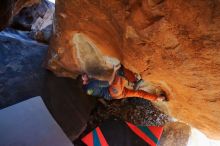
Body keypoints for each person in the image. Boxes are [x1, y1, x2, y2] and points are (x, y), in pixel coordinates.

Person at [81, 64, 165, 101]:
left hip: (116, 95)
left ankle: (158, 98)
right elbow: (109, 82)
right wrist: (114, 70)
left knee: (139, 94)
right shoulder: (91, 83)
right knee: (120, 71)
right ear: (83, 81)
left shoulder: (86, 89)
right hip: (113, 91)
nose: (84, 75)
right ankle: (134, 81)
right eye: (83, 77)